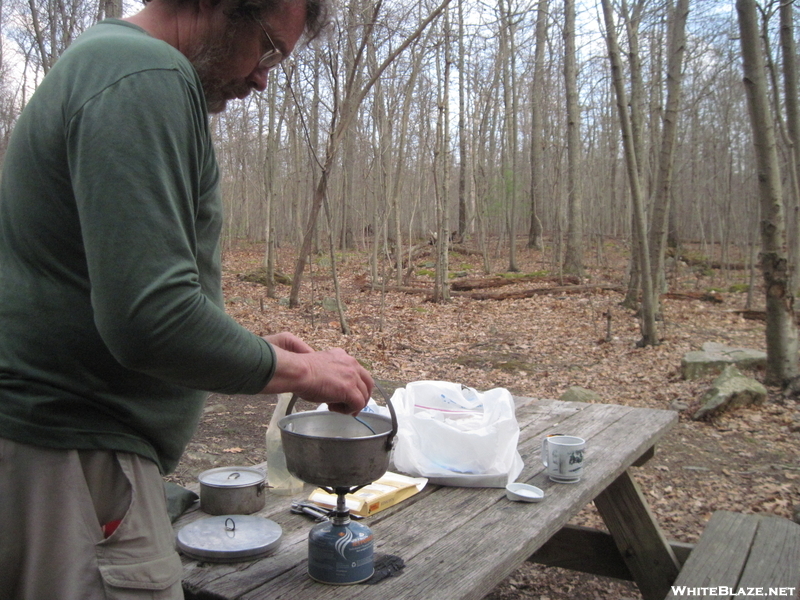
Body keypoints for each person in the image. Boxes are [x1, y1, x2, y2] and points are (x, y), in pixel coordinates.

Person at [0, 0, 373, 598]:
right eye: (269, 48)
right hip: (75, 461)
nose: (262, 76)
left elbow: (122, 294)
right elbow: (151, 320)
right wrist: (304, 370)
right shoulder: (144, 75)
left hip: (57, 454)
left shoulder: (110, 64)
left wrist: (250, 350)